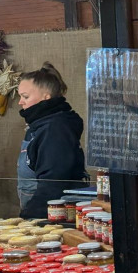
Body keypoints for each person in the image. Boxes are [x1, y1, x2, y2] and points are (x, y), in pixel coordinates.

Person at [16, 62, 88, 218]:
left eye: (25, 96)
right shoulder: (40, 126)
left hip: (55, 215)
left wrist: (29, 216)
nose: (20, 102)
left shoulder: (55, 129)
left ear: (46, 96)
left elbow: (53, 182)